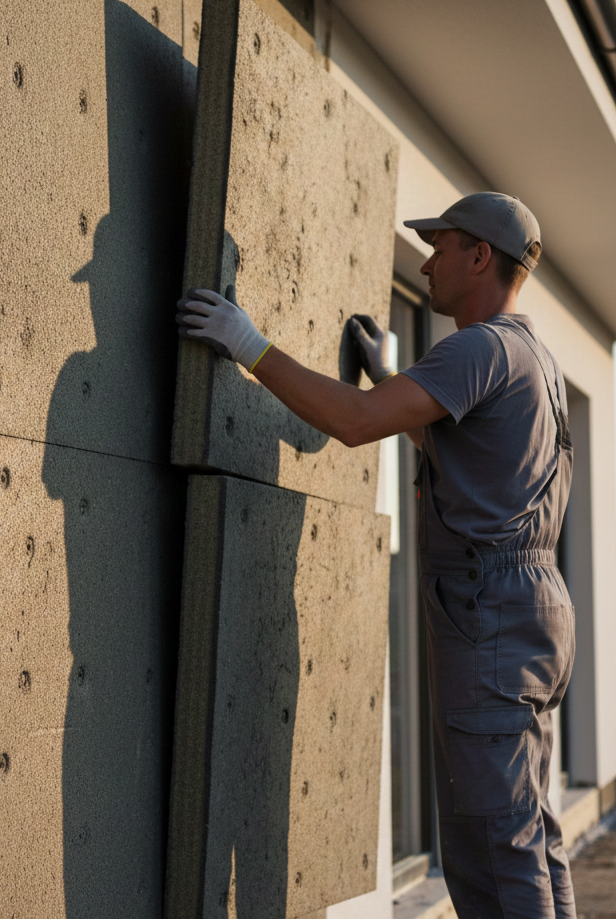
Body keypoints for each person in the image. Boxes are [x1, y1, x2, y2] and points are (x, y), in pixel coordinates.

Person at [176, 191, 576, 919]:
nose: (425, 266)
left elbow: (355, 425)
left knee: (493, 842)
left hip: (489, 613)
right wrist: (394, 380)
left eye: (441, 247)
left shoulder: (478, 347)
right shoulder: (535, 360)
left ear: (479, 256)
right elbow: (465, 456)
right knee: (524, 832)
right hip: (530, 609)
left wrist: (248, 345)